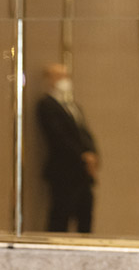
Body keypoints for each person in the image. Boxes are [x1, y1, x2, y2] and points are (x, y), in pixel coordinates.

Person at [37, 63, 99, 233]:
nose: (64, 80)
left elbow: (84, 132)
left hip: (82, 173)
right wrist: (81, 155)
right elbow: (59, 136)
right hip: (63, 172)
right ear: (49, 80)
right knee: (60, 217)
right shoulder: (46, 105)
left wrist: (92, 154)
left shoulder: (73, 106)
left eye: (65, 76)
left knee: (85, 216)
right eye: (59, 76)